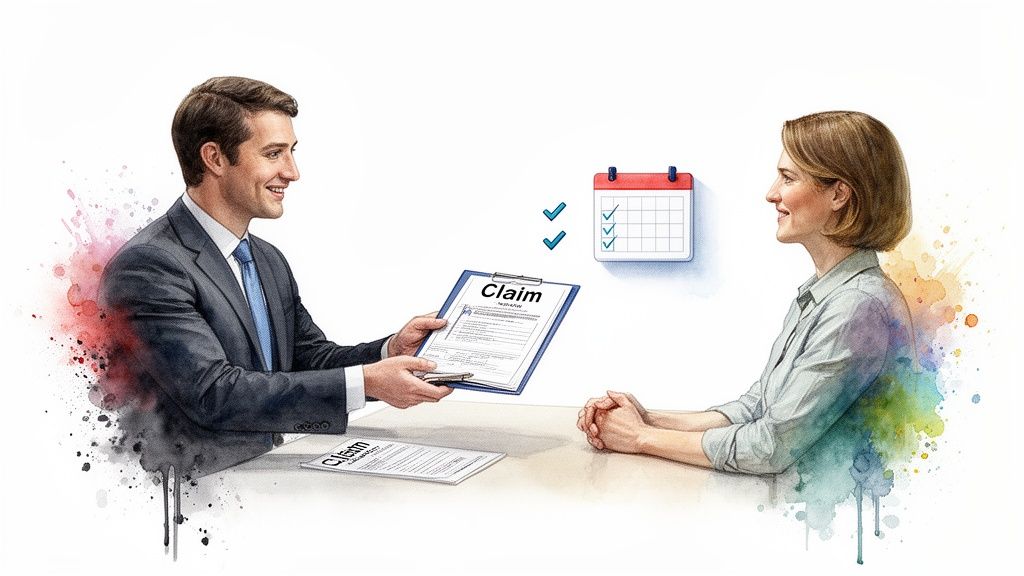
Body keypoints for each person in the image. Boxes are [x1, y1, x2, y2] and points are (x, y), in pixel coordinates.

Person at [101, 76, 452, 476]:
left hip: (266, 479)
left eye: (291, 152)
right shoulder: (149, 265)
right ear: (214, 158)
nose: (292, 172)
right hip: (195, 497)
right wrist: (367, 383)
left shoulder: (266, 260)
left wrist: (390, 353)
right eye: (273, 153)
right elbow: (215, 394)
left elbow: (306, 359)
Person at [577, 111, 915, 475]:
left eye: (788, 178)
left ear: (839, 194)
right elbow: (758, 407)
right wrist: (648, 419)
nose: (771, 193)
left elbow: (771, 447)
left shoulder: (856, 309)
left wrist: (641, 437)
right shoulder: (827, 294)